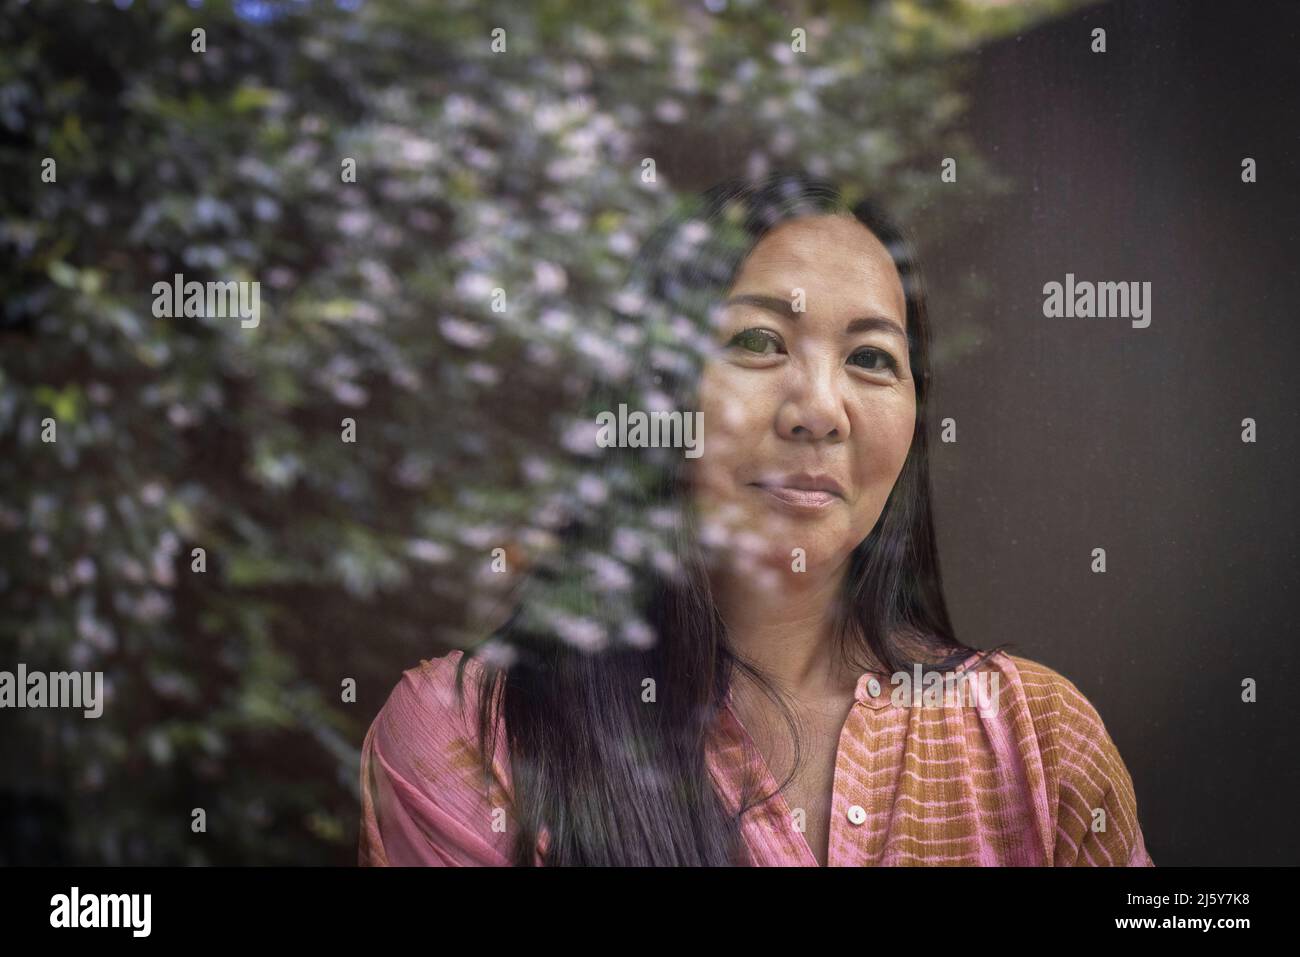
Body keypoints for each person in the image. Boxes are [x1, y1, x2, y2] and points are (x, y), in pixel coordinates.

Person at [358, 171, 1155, 866]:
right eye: (759, 340)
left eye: (872, 357)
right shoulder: (474, 738)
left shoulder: (1035, 742)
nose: (819, 408)